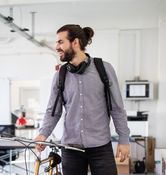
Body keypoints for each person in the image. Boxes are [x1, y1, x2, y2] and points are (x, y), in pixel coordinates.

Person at [34, 24, 130, 175]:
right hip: (71, 149)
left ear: (75, 42)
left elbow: (117, 108)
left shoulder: (104, 69)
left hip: (101, 147)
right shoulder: (60, 75)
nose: (56, 46)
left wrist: (124, 139)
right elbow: (53, 111)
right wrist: (43, 133)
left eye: (60, 42)